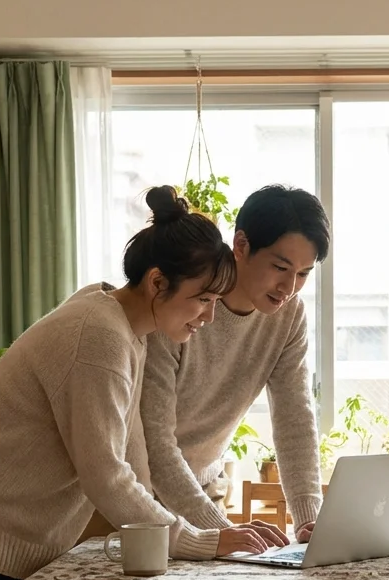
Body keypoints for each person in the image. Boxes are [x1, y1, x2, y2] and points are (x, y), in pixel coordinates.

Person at [0, 185, 285, 580]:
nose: (207, 317)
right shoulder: (98, 336)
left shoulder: (128, 333)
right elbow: (105, 476)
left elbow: (134, 461)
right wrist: (200, 541)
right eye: (202, 299)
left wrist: (206, 536)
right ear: (158, 282)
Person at [141, 184, 331, 543]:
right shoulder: (181, 302)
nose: (288, 287)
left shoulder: (289, 316)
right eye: (280, 266)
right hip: (139, 499)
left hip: (203, 491)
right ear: (241, 246)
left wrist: (308, 519)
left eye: (304, 273)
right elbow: (156, 443)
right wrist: (221, 533)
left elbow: (295, 418)